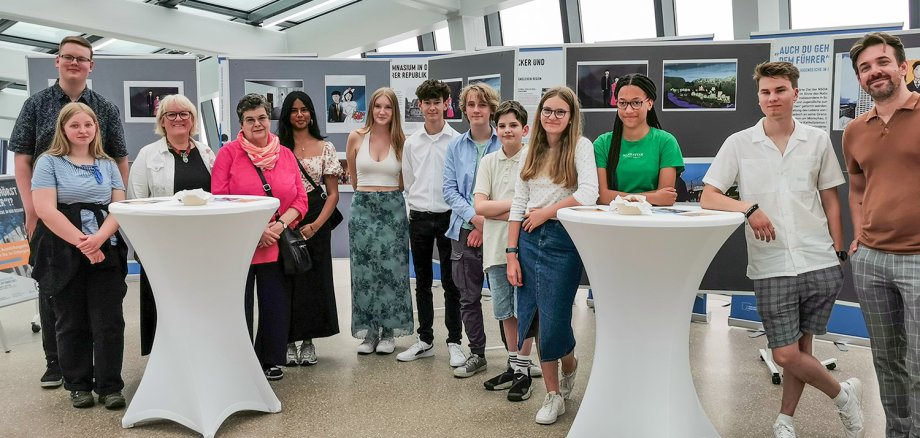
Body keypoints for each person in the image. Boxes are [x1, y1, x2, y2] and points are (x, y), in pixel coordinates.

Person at [701, 61, 863, 438]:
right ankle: (844, 396)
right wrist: (749, 208)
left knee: (803, 348)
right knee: (784, 353)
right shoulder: (739, 143)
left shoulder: (817, 139)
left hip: (819, 259)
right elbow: (709, 195)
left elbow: (831, 200)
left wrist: (838, 253)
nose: (772, 98)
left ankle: (785, 419)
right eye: (765, 92)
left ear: (795, 94)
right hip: (771, 263)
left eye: (779, 90)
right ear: (759, 97)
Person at [10, 35, 128, 389]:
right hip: (51, 214)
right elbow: (22, 158)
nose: (74, 63)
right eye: (68, 58)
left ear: (91, 65)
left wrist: (112, 210)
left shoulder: (104, 108)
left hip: (98, 218)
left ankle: (104, 375)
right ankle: (57, 364)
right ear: (57, 62)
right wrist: (33, 211)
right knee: (56, 291)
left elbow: (119, 158)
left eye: (82, 58)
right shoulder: (36, 104)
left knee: (101, 301)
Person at [506, 86, 598, 425]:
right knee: (534, 317)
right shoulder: (530, 151)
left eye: (560, 112)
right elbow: (518, 205)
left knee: (555, 317)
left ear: (571, 116)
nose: (552, 117)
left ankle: (569, 362)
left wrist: (547, 211)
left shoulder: (581, 147)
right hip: (528, 239)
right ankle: (553, 395)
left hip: (563, 240)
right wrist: (511, 253)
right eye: (547, 110)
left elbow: (589, 194)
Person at [843, 32, 920, 438]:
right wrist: (858, 235)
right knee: (887, 361)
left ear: (903, 67)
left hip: (918, 259)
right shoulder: (855, 131)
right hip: (872, 261)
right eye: (865, 67)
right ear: (860, 79)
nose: (875, 72)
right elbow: (857, 188)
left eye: (882, 62)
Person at [29, 102, 129, 410]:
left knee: (108, 320)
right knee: (71, 319)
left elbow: (119, 206)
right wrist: (83, 243)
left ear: (96, 128)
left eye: (88, 125)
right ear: (63, 129)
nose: (82, 130)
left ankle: (110, 385)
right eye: (75, 125)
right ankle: (78, 384)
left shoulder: (108, 163)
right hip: (62, 249)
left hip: (105, 247)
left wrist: (99, 239)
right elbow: (45, 209)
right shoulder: (49, 162)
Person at [211, 93, 308, 381]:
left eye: (262, 118)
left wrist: (278, 227)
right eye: (250, 119)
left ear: (270, 119)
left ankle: (268, 359)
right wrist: (255, 231)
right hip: (240, 245)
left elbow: (300, 200)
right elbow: (220, 199)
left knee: (274, 304)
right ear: (241, 123)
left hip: (276, 243)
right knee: (238, 306)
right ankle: (238, 361)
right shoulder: (228, 154)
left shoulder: (285, 154)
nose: (257, 124)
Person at [128, 94, 216, 357]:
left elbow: (219, 197)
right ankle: (166, 356)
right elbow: (136, 202)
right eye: (171, 115)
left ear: (193, 120)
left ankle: (200, 353)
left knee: (199, 303)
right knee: (165, 305)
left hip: (202, 246)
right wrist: (143, 245)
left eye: (184, 114)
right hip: (162, 245)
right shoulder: (147, 155)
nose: (178, 119)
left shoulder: (207, 152)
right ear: (162, 121)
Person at [474, 100, 540, 402]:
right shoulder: (488, 162)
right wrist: (516, 209)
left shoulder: (534, 160)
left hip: (525, 246)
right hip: (495, 248)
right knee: (505, 310)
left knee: (525, 308)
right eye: (502, 125)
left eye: (513, 125)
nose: (507, 130)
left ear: (525, 129)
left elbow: (534, 209)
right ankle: (514, 366)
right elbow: (480, 206)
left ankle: (524, 370)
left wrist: (500, 211)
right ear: (495, 129)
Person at [395, 79, 465, 366]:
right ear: (420, 106)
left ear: (446, 104)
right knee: (422, 282)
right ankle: (424, 339)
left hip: (450, 217)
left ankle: (455, 342)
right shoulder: (411, 143)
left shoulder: (458, 140)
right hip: (420, 217)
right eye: (427, 102)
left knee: (451, 282)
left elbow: (461, 182)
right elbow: (409, 181)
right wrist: (419, 204)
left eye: (438, 101)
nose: (433, 107)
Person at [345, 87, 413, 355]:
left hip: (392, 209)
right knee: (364, 273)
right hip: (362, 209)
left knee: (392, 272)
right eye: (377, 106)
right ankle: (370, 331)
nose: (382, 112)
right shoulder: (356, 138)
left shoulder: (402, 141)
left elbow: (403, 181)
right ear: (371, 109)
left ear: (394, 111)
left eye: (388, 107)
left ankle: (389, 331)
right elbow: (353, 177)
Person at [277, 91, 342, 367]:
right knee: (286, 280)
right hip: (284, 218)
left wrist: (316, 225)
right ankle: (287, 340)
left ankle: (308, 342)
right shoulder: (276, 147)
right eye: (294, 110)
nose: (300, 115)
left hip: (316, 219)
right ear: (287, 115)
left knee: (314, 281)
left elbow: (333, 194)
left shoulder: (325, 147)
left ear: (312, 113)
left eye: (305, 109)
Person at [442, 82, 502, 378]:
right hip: (464, 231)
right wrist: (475, 219)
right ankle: (477, 353)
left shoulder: (505, 142)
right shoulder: (455, 145)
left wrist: (486, 223)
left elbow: (512, 189)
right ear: (464, 110)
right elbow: (449, 190)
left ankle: (516, 356)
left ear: (491, 108)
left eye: (481, 104)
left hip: (502, 231)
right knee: (468, 297)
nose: (476, 110)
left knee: (507, 295)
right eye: (470, 105)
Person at [594, 73, 684, 206]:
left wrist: (618, 197)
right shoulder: (602, 144)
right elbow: (602, 196)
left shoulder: (666, 142)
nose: (628, 110)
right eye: (622, 103)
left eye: (636, 102)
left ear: (649, 103)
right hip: (613, 221)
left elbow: (665, 198)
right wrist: (651, 197)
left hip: (653, 220)